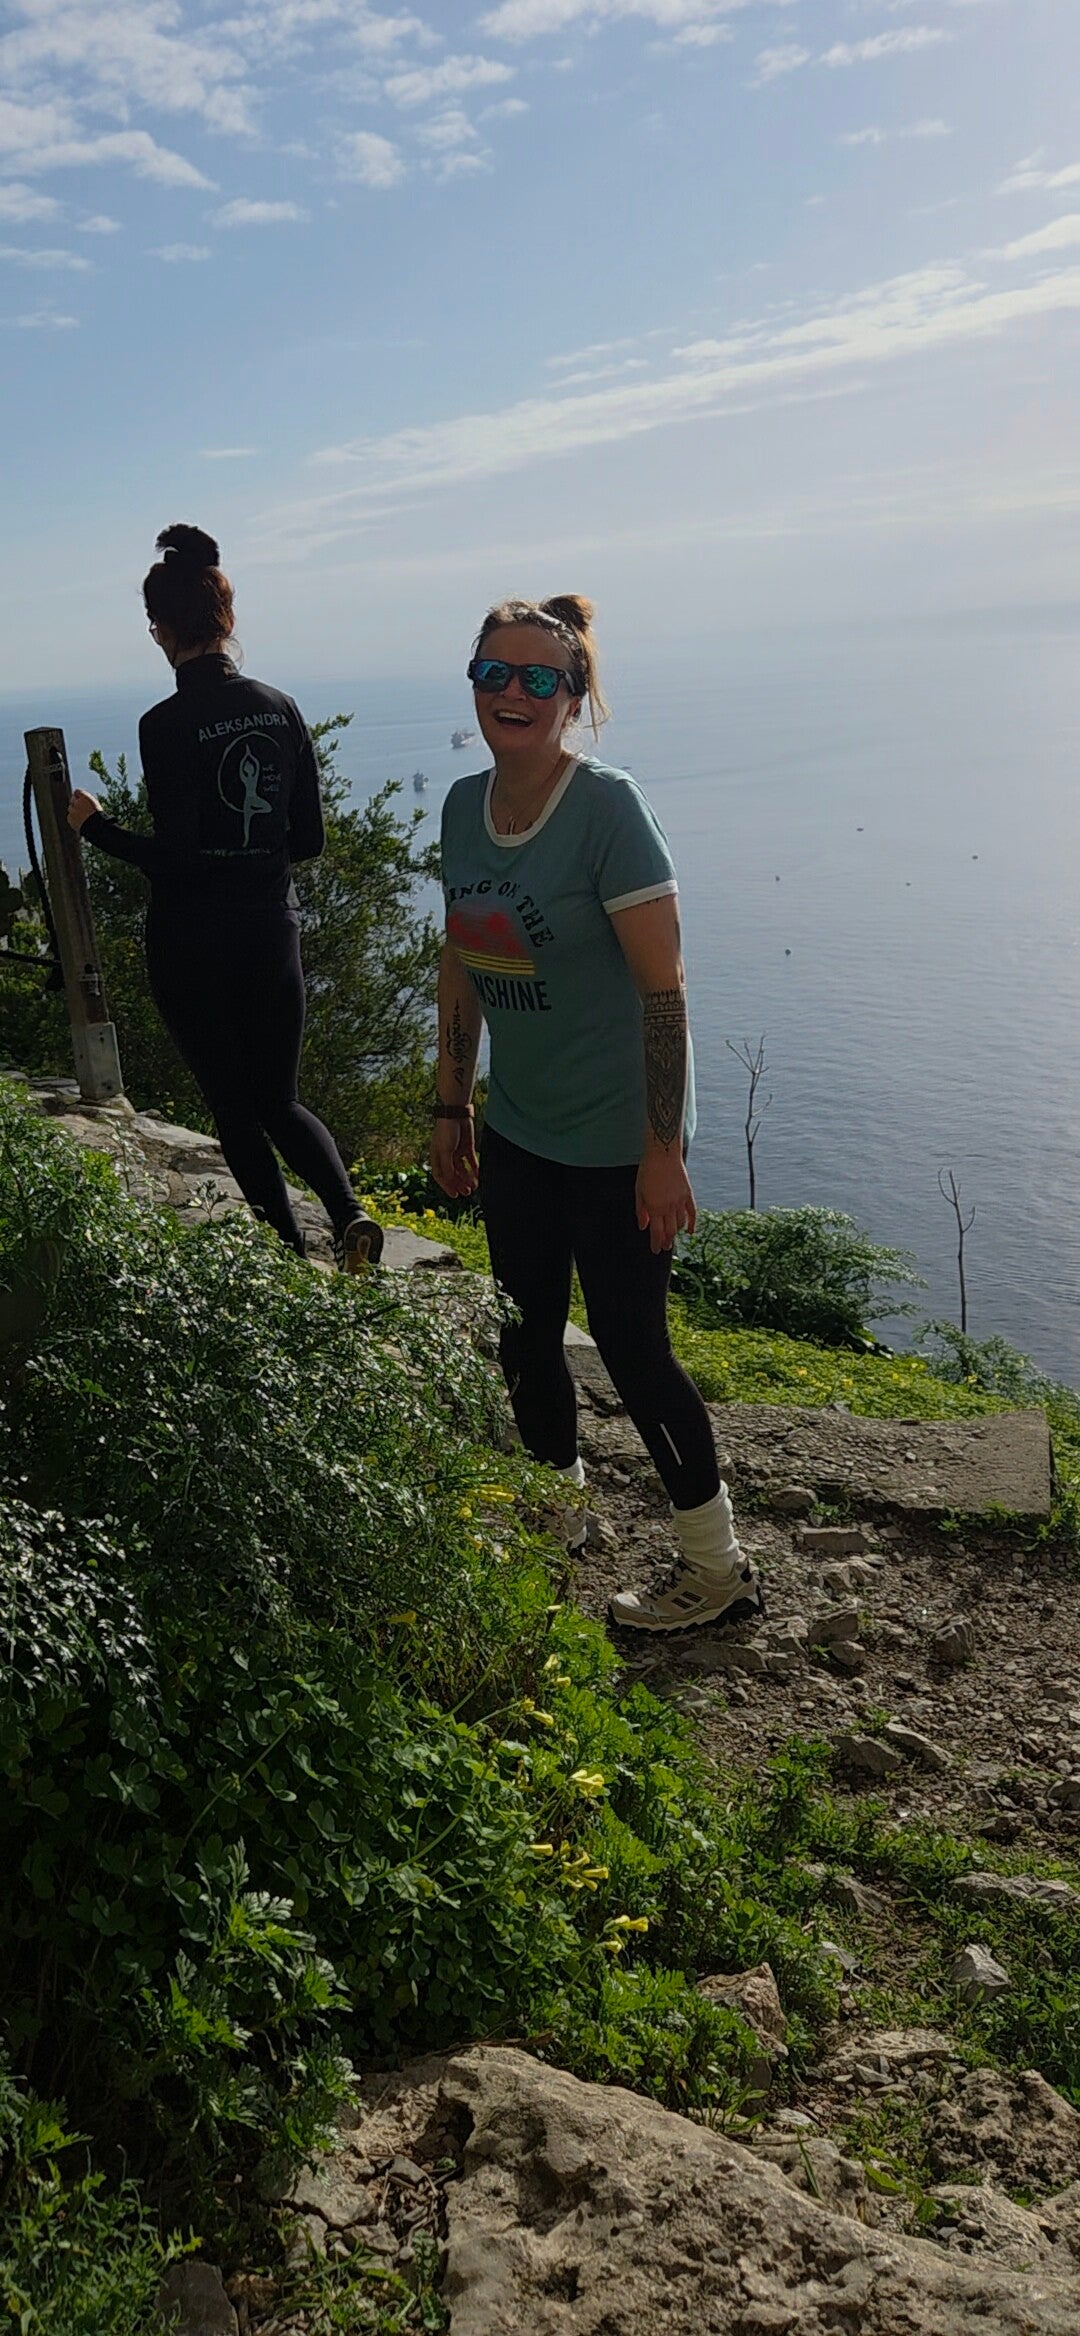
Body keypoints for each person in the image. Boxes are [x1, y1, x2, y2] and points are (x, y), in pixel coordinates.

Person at [431, 595, 762, 1632]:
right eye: (494, 673)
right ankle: (557, 1506)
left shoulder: (608, 809)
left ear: (573, 699)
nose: (513, 693)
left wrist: (661, 1152)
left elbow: (664, 991)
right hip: (523, 1122)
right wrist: (451, 1103)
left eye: (539, 678)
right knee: (523, 1331)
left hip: (621, 1135)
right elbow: (462, 957)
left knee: (632, 1348)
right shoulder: (462, 807)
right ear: (474, 686)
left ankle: (717, 1567)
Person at [68, 523, 381, 1270]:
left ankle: (288, 1255)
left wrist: (95, 828)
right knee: (281, 1099)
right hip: (272, 930)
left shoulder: (163, 725)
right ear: (228, 618)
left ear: (161, 630)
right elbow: (309, 839)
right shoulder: (281, 706)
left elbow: (178, 859)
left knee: (234, 1109)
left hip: (192, 941)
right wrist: (252, 861)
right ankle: (348, 1215)